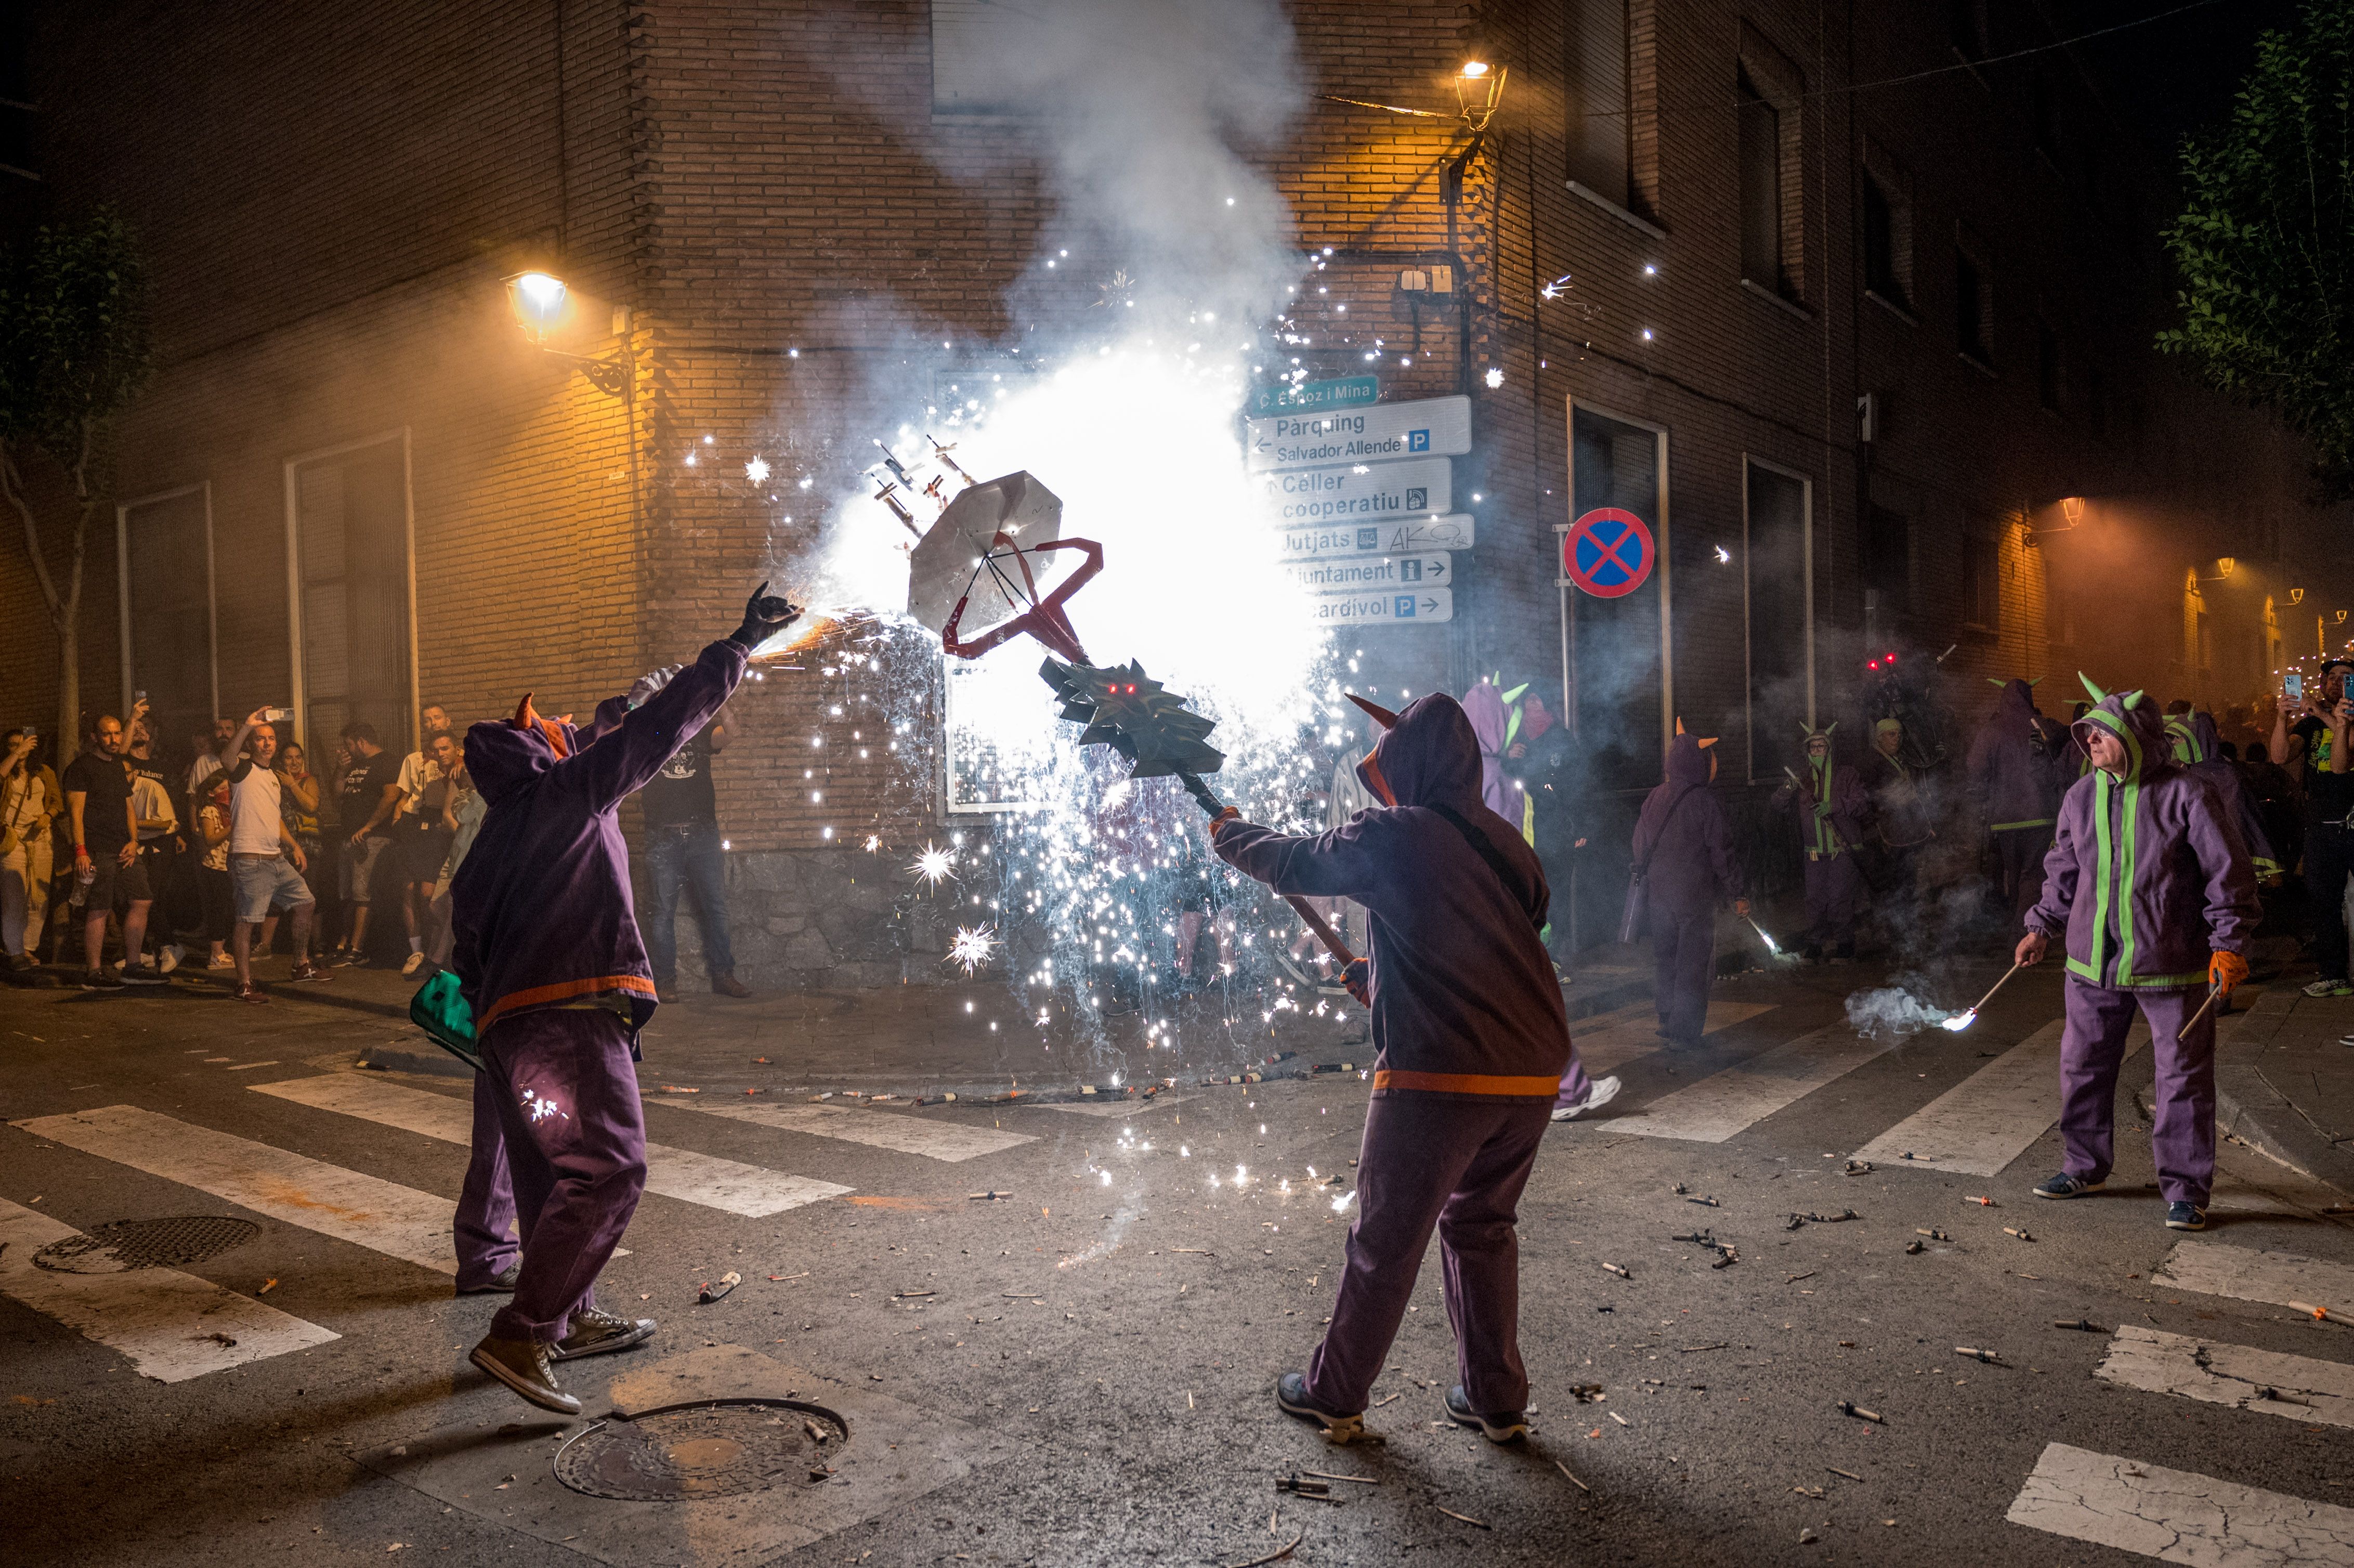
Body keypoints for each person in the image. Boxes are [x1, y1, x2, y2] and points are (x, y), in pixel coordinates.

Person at [451, 581, 797, 1414]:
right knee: (612, 1169)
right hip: (567, 1021)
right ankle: (523, 1332)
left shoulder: (502, 831)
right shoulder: (567, 796)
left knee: (550, 1185)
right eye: (557, 732)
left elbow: (608, 730)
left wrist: (615, 708)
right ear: (541, 756)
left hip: (511, 1038)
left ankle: (566, 1317)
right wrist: (737, 647)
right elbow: (647, 739)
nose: (572, 731)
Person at [1207, 691, 1568, 1446]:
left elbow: (1298, 861)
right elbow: (1487, 944)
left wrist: (1233, 835)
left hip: (1441, 1078)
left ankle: (1334, 1392)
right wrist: (1384, 976)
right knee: (1482, 1227)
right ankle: (1495, 1400)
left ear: (1410, 765)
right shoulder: (1506, 845)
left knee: (1385, 1239)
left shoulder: (1399, 834)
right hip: (1531, 1071)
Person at [2018, 678, 2259, 1232]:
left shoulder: (2188, 794)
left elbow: (2229, 875)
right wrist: (2041, 926)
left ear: (2135, 737)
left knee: (2182, 1078)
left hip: (2170, 965)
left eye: (2101, 735)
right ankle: (2084, 1166)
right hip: (2090, 967)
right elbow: (2063, 871)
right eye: (2086, 736)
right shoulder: (2079, 797)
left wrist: (2227, 945)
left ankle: (2185, 1190)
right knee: (2082, 1067)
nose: (2090, 744)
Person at [1614, 726, 1744, 1061]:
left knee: (1665, 957)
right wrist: (1737, 892)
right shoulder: (1705, 802)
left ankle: (1667, 1016)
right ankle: (1685, 1031)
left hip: (1659, 894)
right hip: (1694, 895)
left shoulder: (1655, 796)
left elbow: (1639, 844)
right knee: (1692, 963)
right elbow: (1722, 852)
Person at [636, 695, 754, 1000]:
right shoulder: (650, 737)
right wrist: (647, 703)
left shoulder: (699, 731)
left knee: (716, 908)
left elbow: (732, 733)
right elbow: (626, 732)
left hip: (703, 834)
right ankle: (665, 982)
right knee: (662, 913)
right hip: (663, 837)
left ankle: (723, 975)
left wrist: (721, 700)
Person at [214, 711, 328, 1003]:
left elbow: (274, 818)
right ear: (250, 744)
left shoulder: (275, 778)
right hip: (250, 859)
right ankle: (244, 984)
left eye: (271, 739)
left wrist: (294, 846)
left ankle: (301, 965)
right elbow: (227, 756)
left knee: (306, 903)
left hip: (276, 858)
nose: (267, 744)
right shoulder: (241, 769)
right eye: (260, 739)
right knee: (247, 920)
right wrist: (247, 725)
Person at [63, 713, 163, 989]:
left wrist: (134, 841)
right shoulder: (81, 768)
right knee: (99, 908)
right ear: (95, 737)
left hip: (125, 848)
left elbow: (129, 807)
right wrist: (81, 851)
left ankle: (133, 966)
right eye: (107, 734)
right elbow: (76, 812)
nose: (114, 739)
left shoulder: (119, 765)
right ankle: (94, 972)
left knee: (142, 900)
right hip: (98, 848)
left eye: (118, 733)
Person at [1967, 677, 2070, 921]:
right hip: (2040, 816)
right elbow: (2070, 740)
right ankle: (2025, 928)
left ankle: (2017, 924)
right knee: (2032, 875)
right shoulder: (2041, 725)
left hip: (2004, 819)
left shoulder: (1992, 730)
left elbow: (1974, 767)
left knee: (2013, 875)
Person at [1772, 723, 1872, 963]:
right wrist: (1787, 789)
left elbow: (1862, 803)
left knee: (1840, 898)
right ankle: (1815, 945)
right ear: (1807, 751)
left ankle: (1845, 945)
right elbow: (1777, 805)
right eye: (1813, 747)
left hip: (1844, 848)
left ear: (1830, 749)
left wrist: (1834, 806)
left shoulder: (1846, 774)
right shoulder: (1801, 778)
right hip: (1815, 852)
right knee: (1815, 900)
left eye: (1822, 746)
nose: (1817, 751)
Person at [2167, 711, 2282, 882]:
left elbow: (2239, 820)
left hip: (2222, 861)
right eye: (2173, 739)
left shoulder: (2226, 774)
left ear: (2198, 738)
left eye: (2179, 738)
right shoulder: (2182, 772)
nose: (2175, 743)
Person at [390, 730, 460, 976]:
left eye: (445, 749)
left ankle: (437, 956)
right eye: (436, 749)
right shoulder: (420, 764)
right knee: (409, 889)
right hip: (418, 826)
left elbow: (450, 813)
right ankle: (418, 952)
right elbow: (407, 797)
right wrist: (399, 816)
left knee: (431, 896)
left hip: (447, 834)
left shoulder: (463, 767)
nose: (440, 754)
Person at [331, 721, 399, 965]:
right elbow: (338, 795)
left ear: (361, 742)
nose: (347, 750)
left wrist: (369, 826)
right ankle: (343, 944)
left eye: (349, 744)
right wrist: (340, 771)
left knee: (362, 894)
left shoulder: (387, 762)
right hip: (348, 837)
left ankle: (356, 949)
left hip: (371, 838)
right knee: (347, 894)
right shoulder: (354, 766)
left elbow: (391, 796)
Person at [123, 711, 185, 975]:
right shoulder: (124, 763)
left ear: (153, 735)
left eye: (144, 728)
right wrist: (131, 721)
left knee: (154, 893)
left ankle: (169, 945)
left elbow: (171, 803)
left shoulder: (161, 768)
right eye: (135, 728)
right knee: (137, 896)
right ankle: (146, 950)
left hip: (162, 838)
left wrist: (177, 831)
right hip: (134, 840)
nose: (139, 731)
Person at [1859, 716, 1935, 917]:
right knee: (1889, 877)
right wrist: (1884, 801)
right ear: (1880, 738)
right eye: (1892, 734)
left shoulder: (1901, 759)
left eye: (1899, 735)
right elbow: (1865, 796)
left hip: (1905, 829)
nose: (1897, 739)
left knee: (1908, 872)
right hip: (1884, 830)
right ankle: (1890, 918)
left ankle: (1906, 916)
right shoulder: (1872, 763)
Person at [1, 726, 56, 973]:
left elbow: (57, 801)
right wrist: (15, 755)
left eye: (23, 744)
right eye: (13, 744)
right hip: (12, 840)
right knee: (15, 896)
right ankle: (14, 951)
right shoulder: (6, 771)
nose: (19, 748)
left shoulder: (44, 772)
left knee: (38, 897)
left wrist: (48, 814)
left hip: (41, 839)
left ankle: (28, 948)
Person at [193, 772, 234, 968]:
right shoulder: (209, 811)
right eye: (222, 789)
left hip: (229, 865)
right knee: (218, 910)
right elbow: (210, 839)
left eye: (229, 788)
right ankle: (216, 954)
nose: (227, 792)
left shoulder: (228, 810)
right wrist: (233, 827)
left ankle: (222, 951)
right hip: (215, 866)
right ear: (211, 793)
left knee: (227, 910)